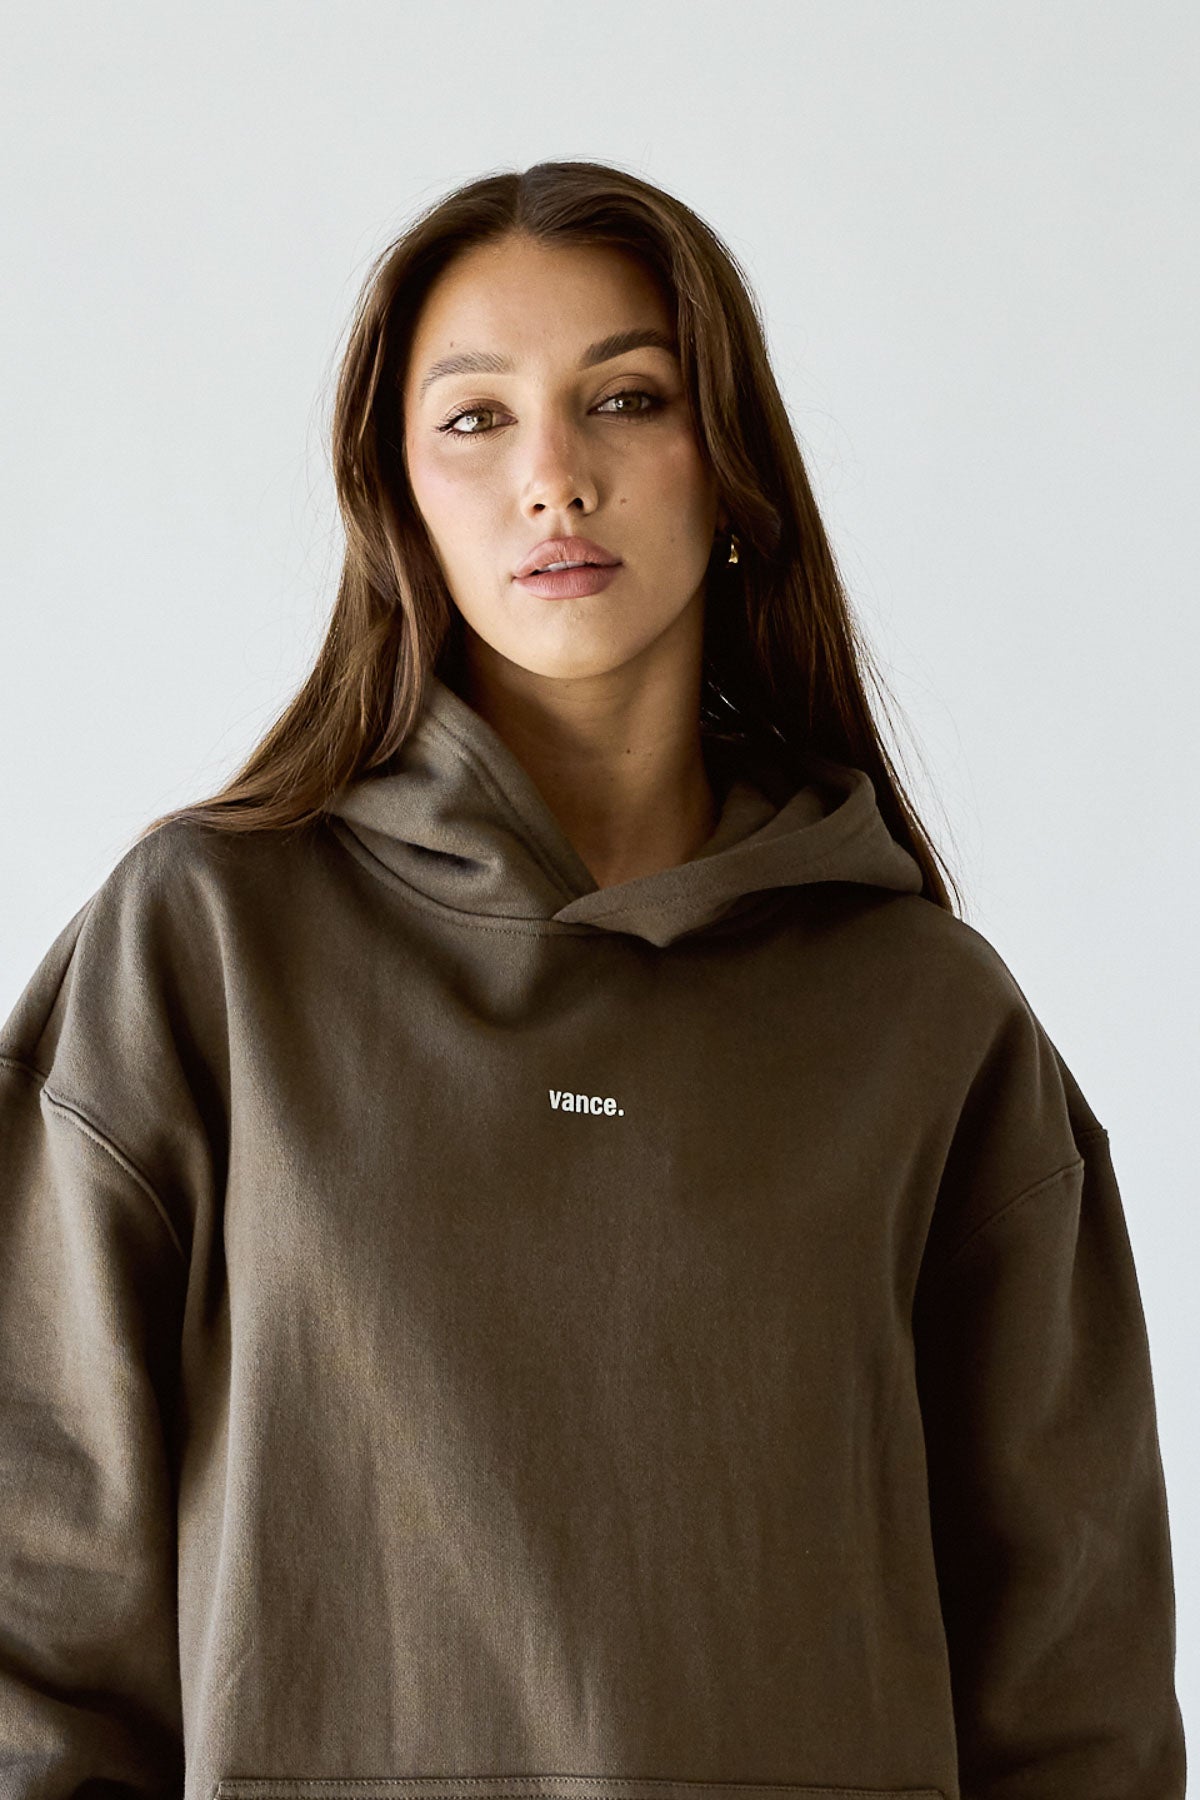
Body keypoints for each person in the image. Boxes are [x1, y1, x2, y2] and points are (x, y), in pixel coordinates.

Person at [0, 159, 1185, 1799]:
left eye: (626, 399)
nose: (554, 479)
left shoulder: (927, 1019)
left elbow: (1076, 1693)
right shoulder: (201, 949)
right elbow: (37, 1610)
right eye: (476, 419)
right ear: (397, 499)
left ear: (733, 469)